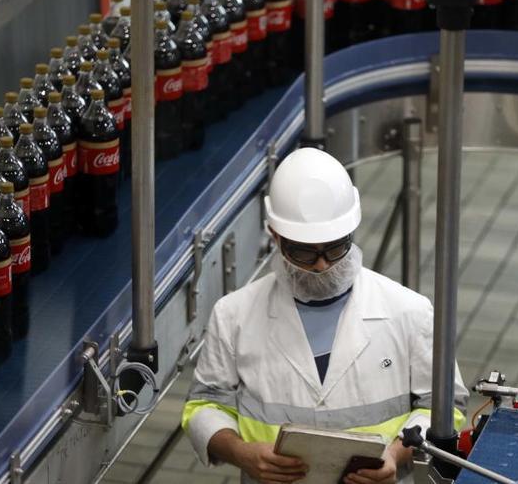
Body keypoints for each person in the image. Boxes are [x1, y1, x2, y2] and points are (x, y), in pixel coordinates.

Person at [182, 147, 468, 483]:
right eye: (303, 251)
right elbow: (203, 406)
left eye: (335, 248)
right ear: (275, 236)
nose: (321, 264)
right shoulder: (234, 315)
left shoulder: (409, 311)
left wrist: (396, 454)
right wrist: (241, 453)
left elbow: (446, 406)